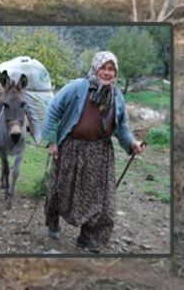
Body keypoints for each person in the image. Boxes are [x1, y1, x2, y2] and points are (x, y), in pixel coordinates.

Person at [42, 51, 145, 253]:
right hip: (72, 148)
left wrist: (133, 143)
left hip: (100, 153)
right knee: (60, 189)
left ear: (115, 72)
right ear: (95, 68)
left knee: (101, 198)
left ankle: (88, 236)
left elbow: (121, 126)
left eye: (111, 69)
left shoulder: (116, 96)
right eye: (103, 68)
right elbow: (53, 109)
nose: (107, 73)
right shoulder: (76, 88)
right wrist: (52, 142)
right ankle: (53, 221)